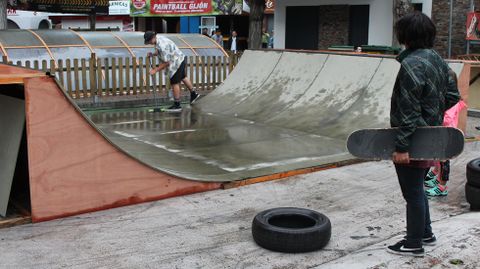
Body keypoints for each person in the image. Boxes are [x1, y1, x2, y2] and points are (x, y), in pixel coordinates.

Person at [387, 12, 460, 257]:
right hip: (429, 135)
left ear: (405, 36)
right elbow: (453, 96)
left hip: (414, 138)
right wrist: (433, 117)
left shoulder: (412, 64)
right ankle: (426, 233)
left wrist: (402, 146)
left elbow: (408, 109)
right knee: (418, 188)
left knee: (413, 193)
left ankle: (413, 243)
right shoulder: (437, 59)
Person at [144, 31, 200, 111]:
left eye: (149, 41)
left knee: (174, 82)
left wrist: (155, 70)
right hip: (180, 58)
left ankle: (177, 104)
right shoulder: (158, 40)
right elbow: (159, 51)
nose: (149, 43)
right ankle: (194, 94)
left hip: (176, 62)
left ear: (153, 38)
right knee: (183, 77)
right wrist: (153, 54)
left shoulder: (162, 45)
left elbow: (167, 62)